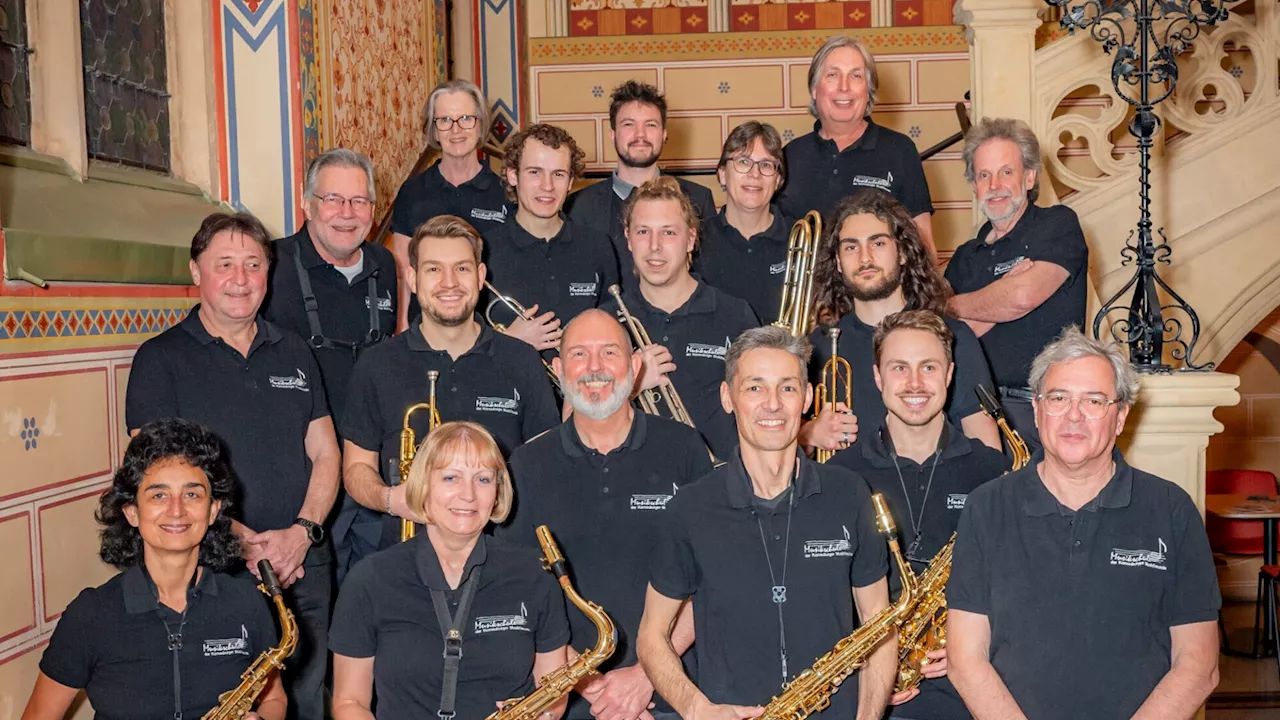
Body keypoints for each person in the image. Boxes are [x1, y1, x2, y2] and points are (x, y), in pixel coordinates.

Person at [126, 212, 340, 720]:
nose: (241, 279)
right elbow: (157, 479)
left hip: (303, 563)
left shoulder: (293, 350)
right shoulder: (161, 359)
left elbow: (327, 452)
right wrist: (239, 539)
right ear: (196, 271)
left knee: (308, 699)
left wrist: (303, 532)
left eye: (253, 264)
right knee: (232, 704)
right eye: (225, 264)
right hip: (214, 570)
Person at [947, 328, 1221, 719]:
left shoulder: (1172, 509)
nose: (1074, 416)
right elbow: (965, 658)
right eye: (1058, 398)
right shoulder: (986, 508)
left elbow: (1199, 666)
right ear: (1038, 411)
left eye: (1094, 401)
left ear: (1121, 415)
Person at [637, 326, 895, 719]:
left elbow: (880, 626)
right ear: (729, 398)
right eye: (755, 388)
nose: (772, 404)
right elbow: (651, 637)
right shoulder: (690, 508)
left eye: (788, 388)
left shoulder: (850, 494)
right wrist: (696, 709)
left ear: (808, 398)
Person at [501, 309, 712, 720]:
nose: (594, 368)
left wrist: (644, 678)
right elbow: (518, 594)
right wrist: (596, 688)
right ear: (559, 370)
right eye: (579, 355)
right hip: (566, 700)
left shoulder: (684, 449)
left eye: (609, 353)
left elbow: (710, 580)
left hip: (669, 697)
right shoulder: (527, 465)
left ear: (635, 367)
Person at [22, 419, 287, 720]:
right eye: (158, 495)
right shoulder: (91, 615)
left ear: (213, 510)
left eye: (192, 494)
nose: (176, 510)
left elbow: (274, 698)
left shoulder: (246, 602)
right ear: (132, 511)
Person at [341, 215, 559, 554]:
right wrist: (391, 499)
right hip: (404, 559)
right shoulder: (376, 364)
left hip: (505, 557)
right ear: (412, 278)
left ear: (481, 276)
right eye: (433, 270)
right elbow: (356, 468)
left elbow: (548, 463)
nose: (449, 282)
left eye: (461, 268)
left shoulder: (522, 360)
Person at [830, 310, 1008, 720]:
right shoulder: (839, 475)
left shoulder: (994, 473)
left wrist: (976, 643)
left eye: (928, 367)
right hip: (861, 689)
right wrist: (868, 669)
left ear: (949, 375)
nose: (914, 384)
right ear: (877, 377)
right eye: (899, 368)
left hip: (968, 689)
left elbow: (1019, 587)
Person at [330, 421, 572, 720]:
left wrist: (544, 715)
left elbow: (553, 696)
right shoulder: (370, 579)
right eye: (450, 478)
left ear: (498, 491)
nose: (468, 495)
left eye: (483, 479)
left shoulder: (535, 575)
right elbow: (349, 703)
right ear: (422, 485)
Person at [263, 148, 398, 583]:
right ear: (306, 204)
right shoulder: (271, 265)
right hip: (306, 479)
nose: (346, 213)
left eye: (359, 202)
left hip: (372, 471)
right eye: (332, 200)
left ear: (374, 210)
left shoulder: (384, 264)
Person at [803, 189, 999, 458]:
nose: (864, 258)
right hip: (845, 498)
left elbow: (988, 452)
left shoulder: (954, 336)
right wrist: (808, 434)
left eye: (878, 243)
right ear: (837, 262)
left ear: (903, 253)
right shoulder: (819, 346)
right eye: (851, 247)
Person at [944, 118, 1090, 454]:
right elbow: (944, 333)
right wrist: (1000, 293)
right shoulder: (966, 256)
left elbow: (1021, 298)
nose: (995, 185)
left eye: (1006, 172)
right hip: (971, 412)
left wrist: (964, 304)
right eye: (984, 175)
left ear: (1029, 176)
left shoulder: (1056, 225)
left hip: (1041, 412)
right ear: (974, 185)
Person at [605, 176, 759, 460]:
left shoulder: (734, 315)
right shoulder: (605, 321)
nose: (654, 246)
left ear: (690, 239)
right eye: (643, 232)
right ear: (628, 239)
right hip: (629, 487)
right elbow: (575, 421)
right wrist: (631, 386)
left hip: (718, 488)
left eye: (668, 233)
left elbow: (762, 406)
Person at [777, 36, 935, 258]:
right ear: (814, 89)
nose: (844, 87)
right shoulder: (789, 156)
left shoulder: (900, 150)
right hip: (807, 292)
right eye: (832, 75)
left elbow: (924, 244)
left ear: (868, 90)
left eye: (856, 76)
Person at [484, 123, 620, 354]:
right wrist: (508, 341)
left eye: (558, 174)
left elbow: (614, 329)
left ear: (569, 183)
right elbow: (459, 338)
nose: (547, 186)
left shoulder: (598, 246)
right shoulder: (483, 249)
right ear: (513, 175)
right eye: (535, 172)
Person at [566, 80, 717, 280]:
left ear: (664, 134)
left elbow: (707, 279)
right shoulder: (579, 206)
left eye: (650, 125)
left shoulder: (698, 198)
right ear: (612, 135)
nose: (640, 134)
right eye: (628, 124)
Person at [390, 79, 509, 330]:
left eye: (466, 118)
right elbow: (402, 271)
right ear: (433, 130)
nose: (456, 130)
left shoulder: (506, 191)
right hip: (424, 328)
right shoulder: (412, 191)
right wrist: (401, 325)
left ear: (480, 125)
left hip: (490, 329)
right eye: (444, 120)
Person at [693, 121, 794, 323]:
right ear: (722, 174)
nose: (754, 174)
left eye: (766, 165)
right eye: (743, 162)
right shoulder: (697, 239)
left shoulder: (800, 238)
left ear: (778, 180)